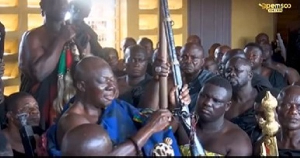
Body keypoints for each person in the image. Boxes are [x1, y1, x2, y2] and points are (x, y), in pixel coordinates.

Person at [47, 56, 185, 156]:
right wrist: (149, 129)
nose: (112, 87)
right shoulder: (73, 123)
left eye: (113, 80)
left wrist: (174, 108)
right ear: (82, 86)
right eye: (103, 82)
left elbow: (162, 128)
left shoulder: (114, 107)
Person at [18, 0, 90, 130]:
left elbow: (87, 70)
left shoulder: (76, 34)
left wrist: (83, 50)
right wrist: (61, 39)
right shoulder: (32, 36)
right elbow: (39, 73)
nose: (63, 4)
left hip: (70, 104)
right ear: (43, 5)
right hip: (42, 107)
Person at [179, 76, 252, 156]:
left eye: (216, 101)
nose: (207, 103)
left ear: (227, 106)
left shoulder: (238, 142)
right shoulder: (182, 123)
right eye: (204, 96)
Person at [224, 57, 277, 144]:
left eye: (238, 71)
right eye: (228, 70)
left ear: (250, 75)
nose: (232, 74)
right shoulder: (222, 101)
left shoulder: (265, 99)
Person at [2, 92, 40, 157]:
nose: (35, 111)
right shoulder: (2, 142)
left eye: (36, 107)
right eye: (27, 108)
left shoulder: (42, 140)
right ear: (10, 115)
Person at [276, 85, 300, 156]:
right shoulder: (267, 142)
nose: (293, 111)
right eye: (287, 106)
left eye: (299, 107)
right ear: (277, 110)